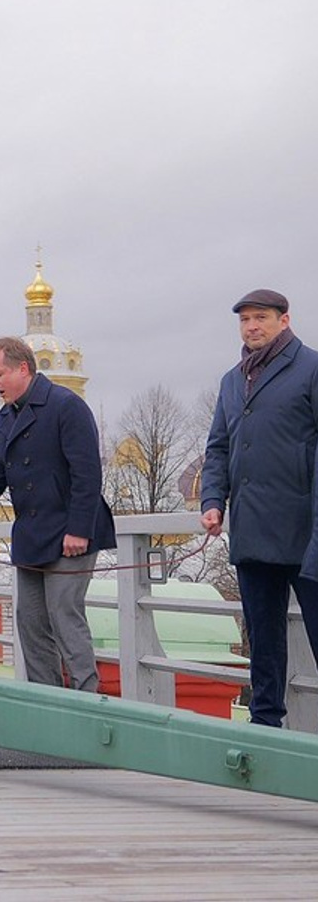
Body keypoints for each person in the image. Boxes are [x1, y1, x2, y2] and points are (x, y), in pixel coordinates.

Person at [0, 336, 115, 691]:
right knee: (30, 622)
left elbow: (87, 475)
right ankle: (46, 699)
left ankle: (87, 700)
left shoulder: (66, 406)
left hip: (71, 534)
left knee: (64, 615)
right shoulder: (2, 421)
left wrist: (78, 529)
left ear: (23, 369)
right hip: (32, 537)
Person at [200, 288, 318, 727]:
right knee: (263, 644)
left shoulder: (310, 368)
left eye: (261, 318)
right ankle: (265, 729)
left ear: (284, 320)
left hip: (306, 532)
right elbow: (219, 447)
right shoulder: (232, 380)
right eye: (245, 319)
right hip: (252, 532)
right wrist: (213, 499)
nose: (252, 327)